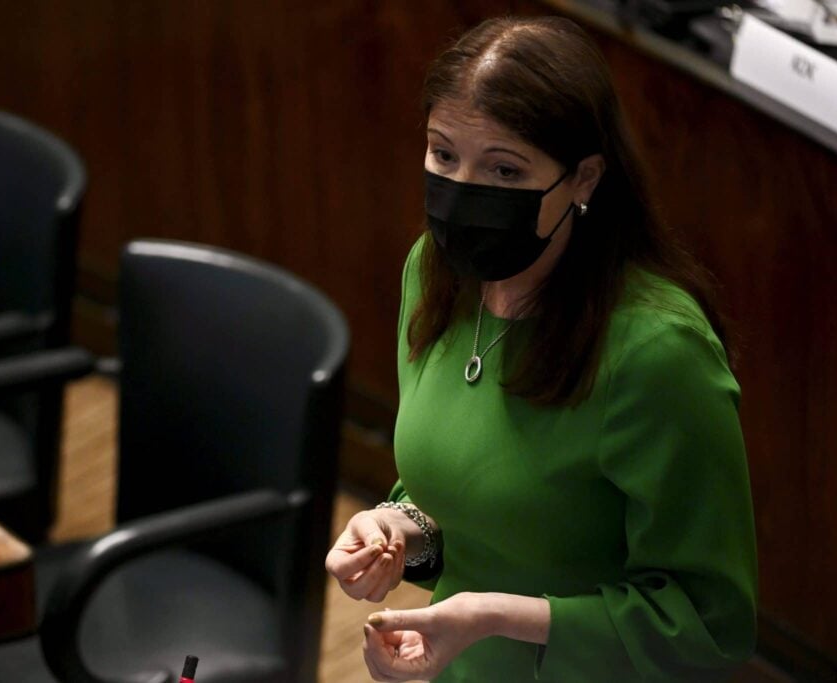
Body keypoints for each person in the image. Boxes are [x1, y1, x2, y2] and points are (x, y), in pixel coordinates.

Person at [324, 15, 758, 682]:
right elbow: (476, 488)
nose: (463, 190)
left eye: (504, 168)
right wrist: (399, 528)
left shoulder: (658, 353)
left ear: (584, 179)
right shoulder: (435, 275)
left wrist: (497, 615)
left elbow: (710, 625)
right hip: (454, 663)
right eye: (443, 154)